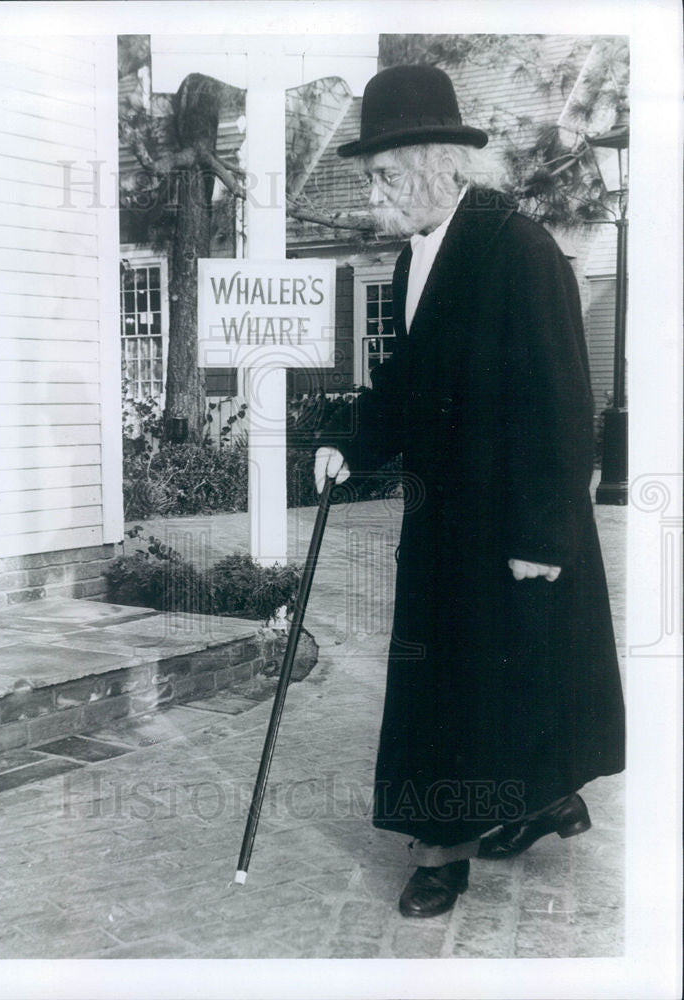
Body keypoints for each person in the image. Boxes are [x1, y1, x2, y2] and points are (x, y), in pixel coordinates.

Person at [313, 64, 625, 919]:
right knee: (477, 683)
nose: (375, 193)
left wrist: (542, 536)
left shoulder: (516, 249)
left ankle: (439, 855)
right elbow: (407, 380)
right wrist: (349, 442)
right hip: (446, 520)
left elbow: (566, 402)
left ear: (438, 165)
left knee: (476, 684)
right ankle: (537, 798)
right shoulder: (422, 252)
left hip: (512, 523)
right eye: (371, 177)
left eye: (384, 175)